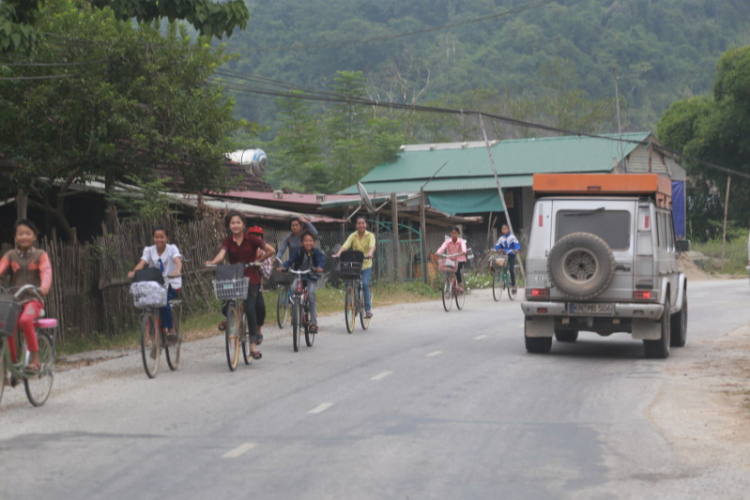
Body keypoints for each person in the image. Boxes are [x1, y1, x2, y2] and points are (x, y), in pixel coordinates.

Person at [206, 212, 275, 359]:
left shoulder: (252, 239)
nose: (235, 225)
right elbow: (222, 254)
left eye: (238, 222)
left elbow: (271, 250)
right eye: (232, 223)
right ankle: (232, 318)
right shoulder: (227, 241)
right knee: (227, 304)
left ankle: (252, 346)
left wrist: (259, 260)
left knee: (250, 308)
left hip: (251, 277)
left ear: (244, 225)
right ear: (229, 226)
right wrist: (213, 261)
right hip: (234, 276)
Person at [0, 219, 52, 374]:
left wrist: (44, 287)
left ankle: (35, 360)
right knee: (7, 328)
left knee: (25, 320)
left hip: (33, 299)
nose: (24, 237)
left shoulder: (40, 255)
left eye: (27, 233)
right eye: (20, 234)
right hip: (15, 301)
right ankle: (13, 364)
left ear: (34, 236)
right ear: (15, 237)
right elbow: (1, 269)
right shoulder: (10, 255)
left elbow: (46, 271)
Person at [128, 225, 182, 341]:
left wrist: (177, 271)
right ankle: (154, 336)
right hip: (156, 286)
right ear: (153, 238)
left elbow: (178, 261)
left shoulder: (172, 249)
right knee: (149, 304)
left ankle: (170, 328)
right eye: (156, 237)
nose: (159, 240)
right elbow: (142, 263)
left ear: (167, 238)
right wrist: (134, 272)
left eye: (162, 237)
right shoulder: (149, 250)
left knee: (163, 303)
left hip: (171, 283)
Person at [278, 231, 325, 333]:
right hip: (299, 275)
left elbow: (320, 261)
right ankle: (296, 309)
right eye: (306, 241)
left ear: (314, 242)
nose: (308, 243)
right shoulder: (298, 251)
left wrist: (319, 267)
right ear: (302, 243)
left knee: (311, 294)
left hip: (311, 276)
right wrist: (284, 267)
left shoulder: (317, 252)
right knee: (294, 288)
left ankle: (313, 322)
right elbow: (291, 260)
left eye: (310, 241)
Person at [332, 216, 375, 318]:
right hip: (355, 264)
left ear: (366, 225)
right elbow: (345, 245)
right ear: (356, 225)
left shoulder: (370, 235)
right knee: (349, 282)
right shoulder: (353, 236)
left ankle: (367, 309)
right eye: (359, 223)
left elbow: (372, 246)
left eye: (363, 223)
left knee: (364, 284)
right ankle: (352, 303)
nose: (361, 225)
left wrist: (370, 253)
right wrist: (338, 253)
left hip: (366, 264)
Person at [248, 225, 273, 345]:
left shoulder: (265, 254)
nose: (255, 238)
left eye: (258, 236)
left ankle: (258, 331)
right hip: (241, 284)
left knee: (260, 308)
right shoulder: (243, 250)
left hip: (256, 285)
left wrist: (259, 262)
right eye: (252, 236)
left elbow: (267, 275)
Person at [433, 227, 468, 292]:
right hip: (450, 259)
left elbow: (464, 247)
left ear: (458, 234)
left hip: (460, 259)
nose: (454, 235)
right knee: (446, 269)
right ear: (450, 234)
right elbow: (442, 247)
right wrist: (438, 252)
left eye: (455, 233)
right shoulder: (448, 241)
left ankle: (460, 285)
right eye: (452, 233)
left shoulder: (461, 241)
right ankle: (448, 283)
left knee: (457, 270)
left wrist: (463, 251)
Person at [494, 223, 521, 293]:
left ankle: (513, 286)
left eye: (505, 229)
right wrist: (495, 250)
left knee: (511, 269)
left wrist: (516, 249)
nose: (504, 230)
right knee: (501, 267)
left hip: (511, 254)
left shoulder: (512, 237)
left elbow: (516, 244)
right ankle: (503, 280)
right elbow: (497, 246)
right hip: (503, 255)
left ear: (508, 229)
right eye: (503, 229)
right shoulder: (501, 238)